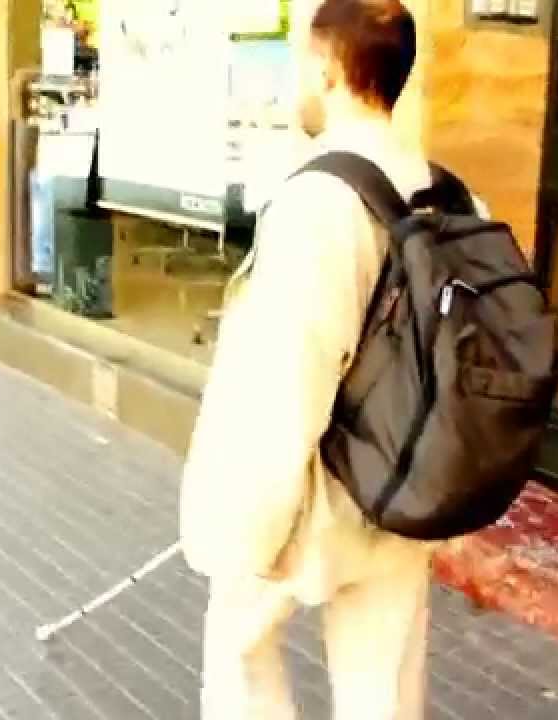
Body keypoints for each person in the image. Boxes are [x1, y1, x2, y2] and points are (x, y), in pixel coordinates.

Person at [178, 1, 459, 718]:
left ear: (328, 68)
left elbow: (286, 385)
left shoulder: (319, 201)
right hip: (411, 485)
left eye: (302, 63)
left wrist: (242, 530)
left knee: (239, 661)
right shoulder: (453, 195)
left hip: (316, 497)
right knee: (382, 693)